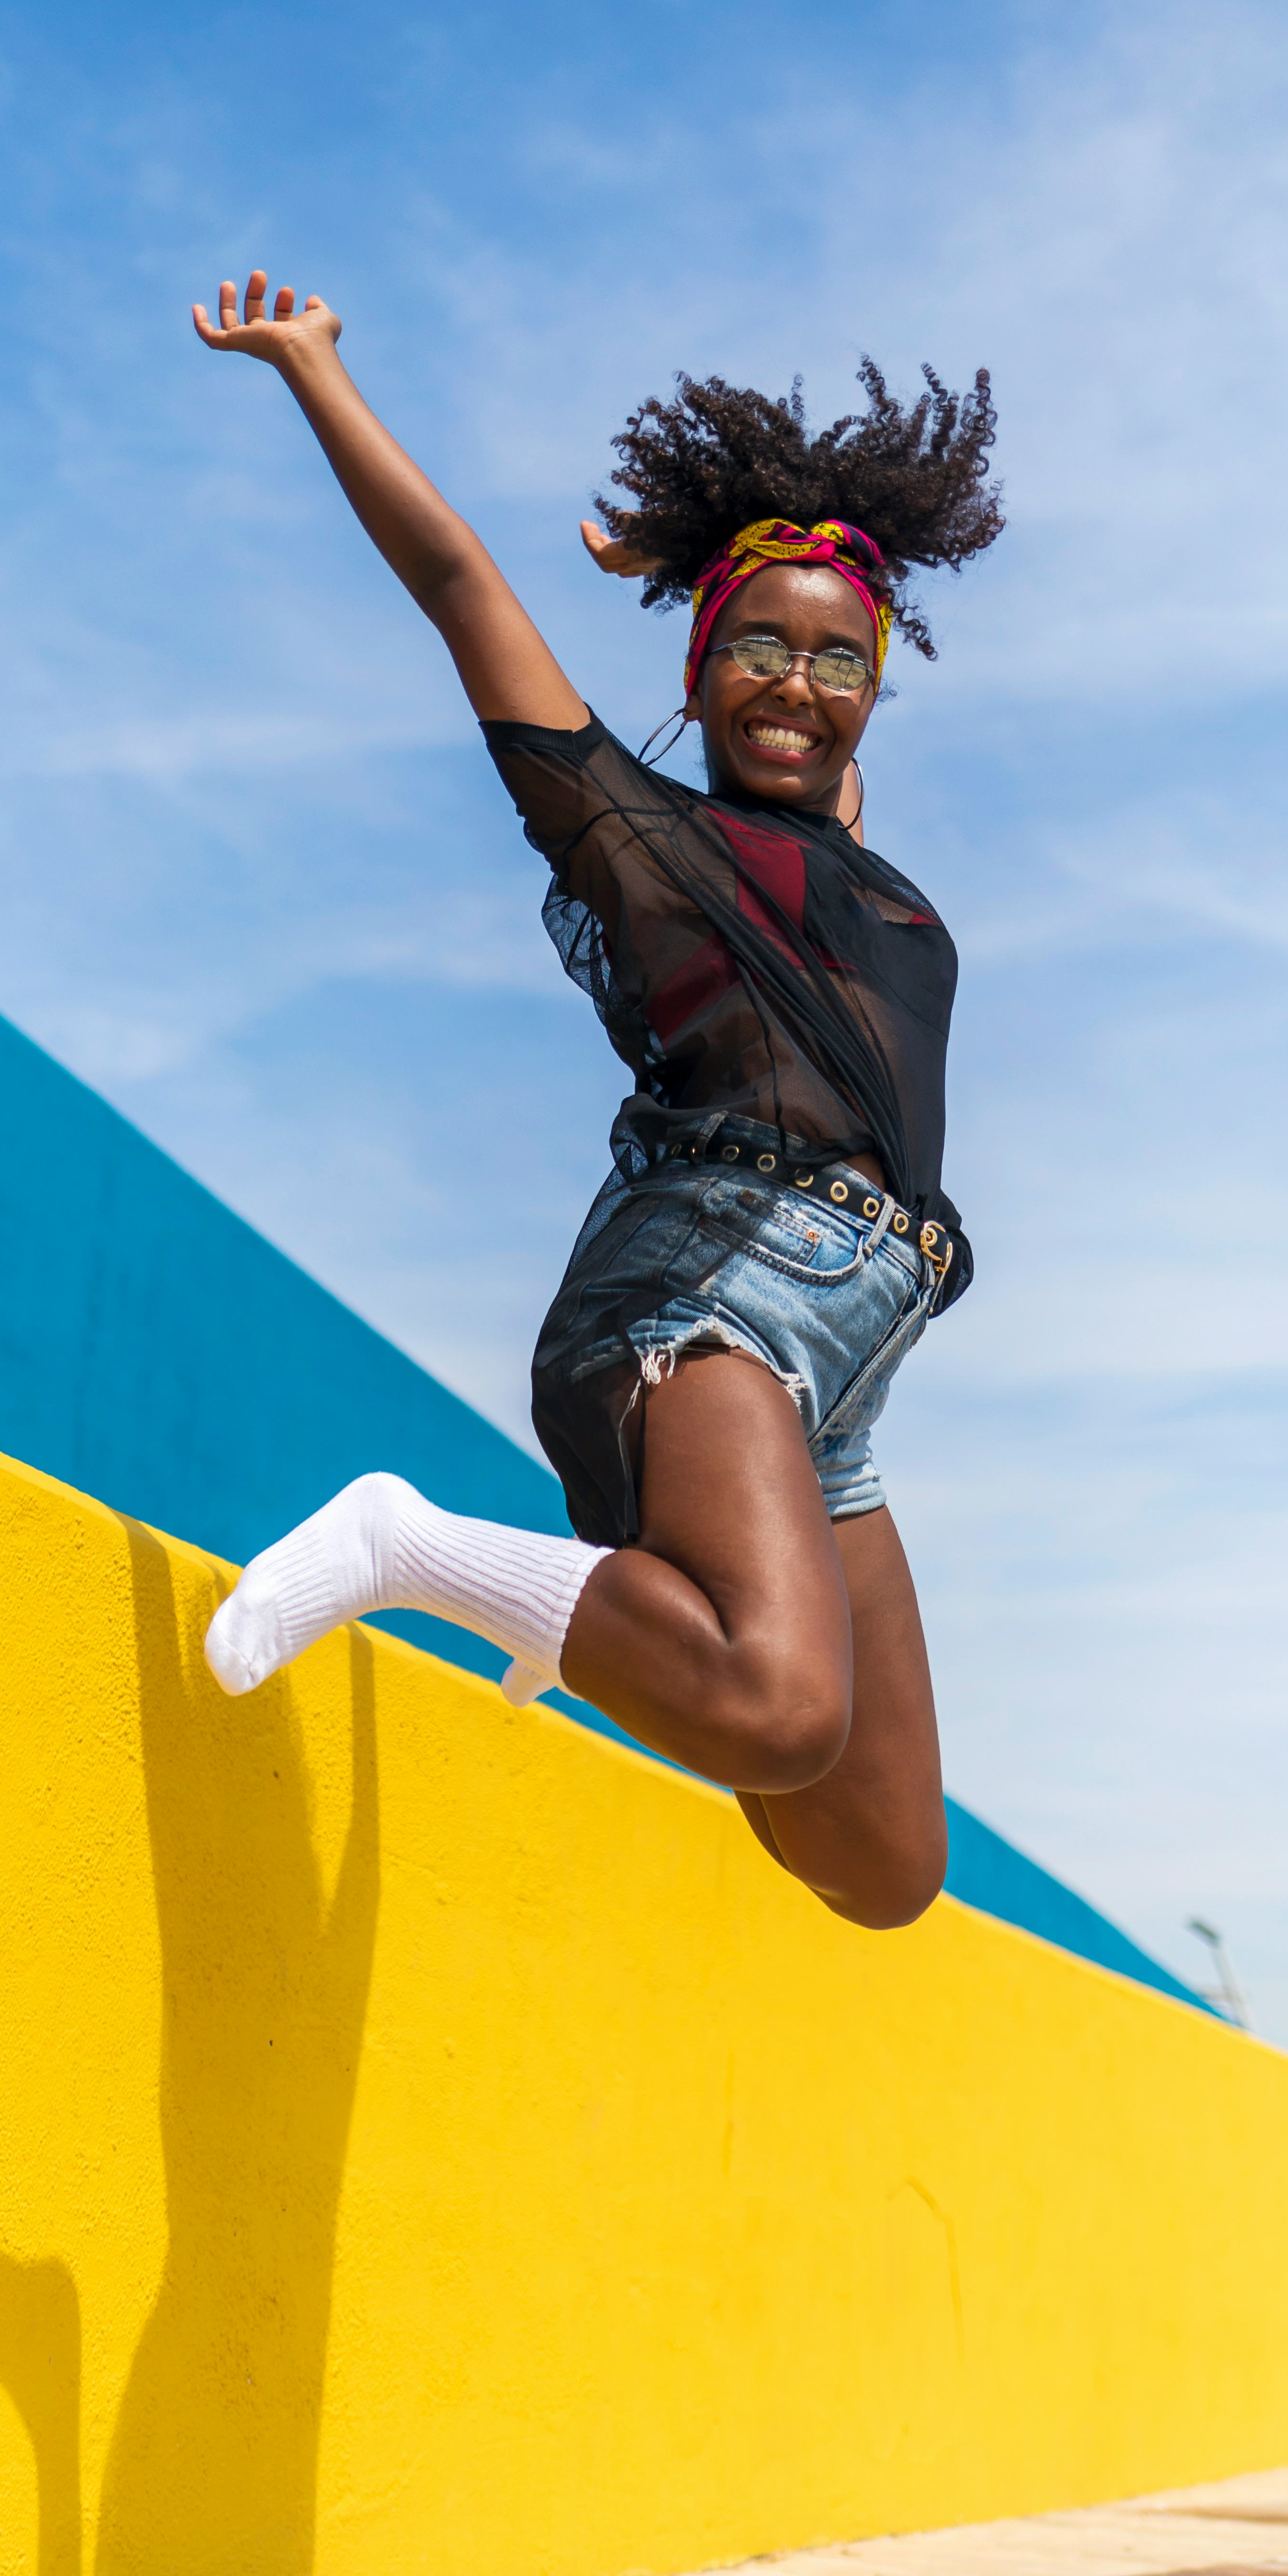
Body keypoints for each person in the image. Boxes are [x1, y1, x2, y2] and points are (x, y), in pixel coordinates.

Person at [193, 272, 1002, 1929]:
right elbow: (455, 580)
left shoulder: (855, 862)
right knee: (777, 1707)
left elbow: (814, 668)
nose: (796, 686)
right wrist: (313, 368)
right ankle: (409, 1546)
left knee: (878, 1866)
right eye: (754, 651)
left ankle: (587, 1612)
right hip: (709, 1294)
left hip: (852, 1365)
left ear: (875, 687)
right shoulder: (642, 843)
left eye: (836, 661)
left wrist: (711, 561)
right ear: (696, 677)